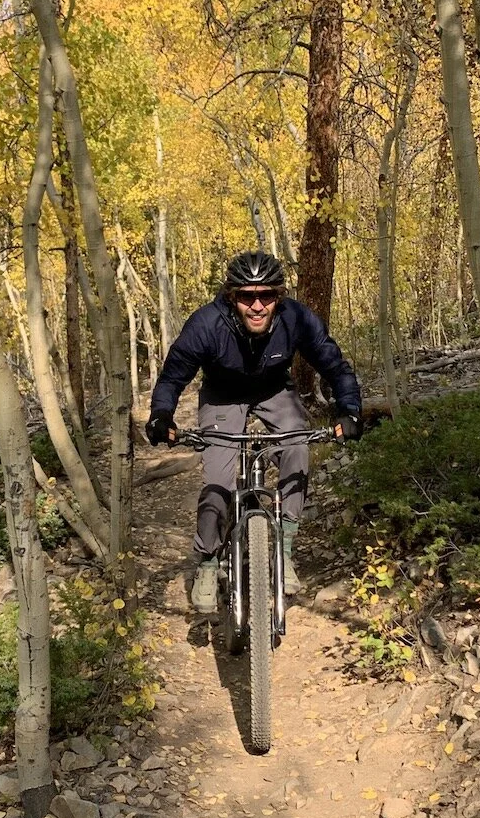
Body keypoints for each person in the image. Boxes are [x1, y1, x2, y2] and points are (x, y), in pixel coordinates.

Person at [144, 250, 363, 613]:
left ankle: (286, 547)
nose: (257, 305)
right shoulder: (206, 324)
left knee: (297, 446)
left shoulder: (296, 319)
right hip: (223, 395)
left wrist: (349, 409)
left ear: (280, 296)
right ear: (232, 297)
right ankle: (208, 562)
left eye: (267, 296)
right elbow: (173, 375)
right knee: (217, 478)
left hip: (274, 389)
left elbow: (335, 366)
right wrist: (162, 415)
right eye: (247, 296)